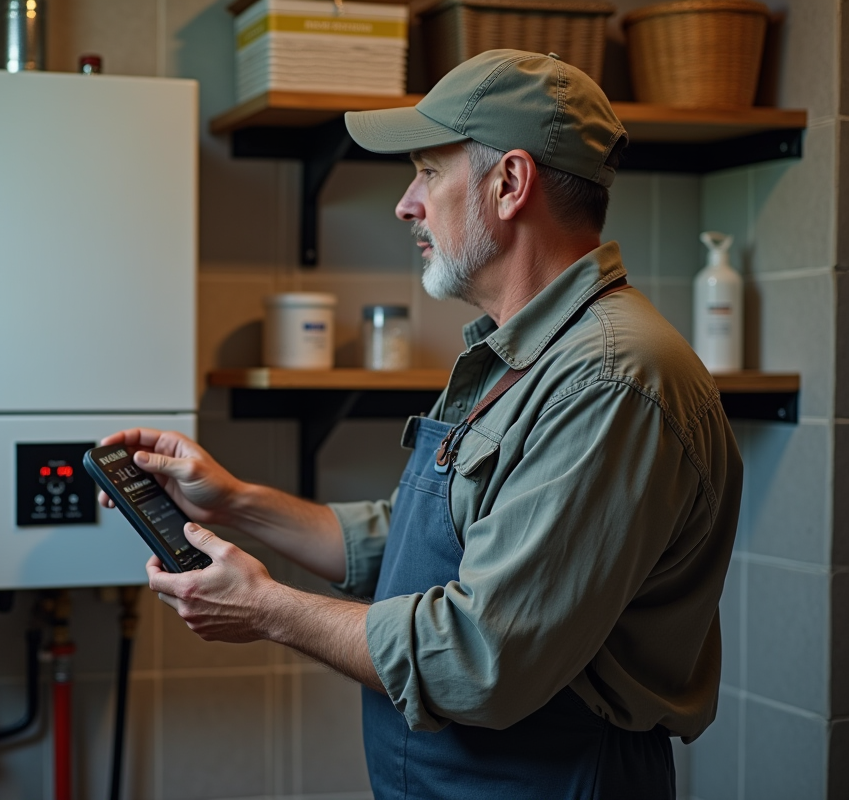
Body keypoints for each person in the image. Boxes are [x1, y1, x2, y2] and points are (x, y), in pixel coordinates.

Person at [101, 49, 742, 799]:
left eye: (428, 172)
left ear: (510, 184)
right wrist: (232, 501)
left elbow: (482, 657)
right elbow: (416, 541)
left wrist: (267, 609)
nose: (406, 204)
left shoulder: (610, 380)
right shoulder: (516, 353)